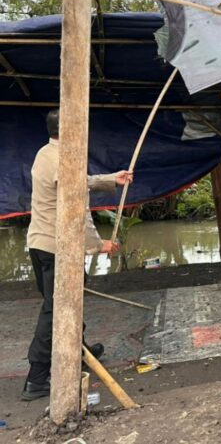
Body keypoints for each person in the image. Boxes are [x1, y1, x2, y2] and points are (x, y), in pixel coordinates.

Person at [23, 109, 133, 401]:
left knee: (69, 302)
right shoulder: (64, 159)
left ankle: (78, 352)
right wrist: (98, 245)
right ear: (70, 129)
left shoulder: (46, 153)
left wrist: (112, 179)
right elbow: (78, 210)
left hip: (41, 244)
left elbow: (79, 181)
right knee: (56, 310)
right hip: (56, 248)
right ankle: (36, 379)